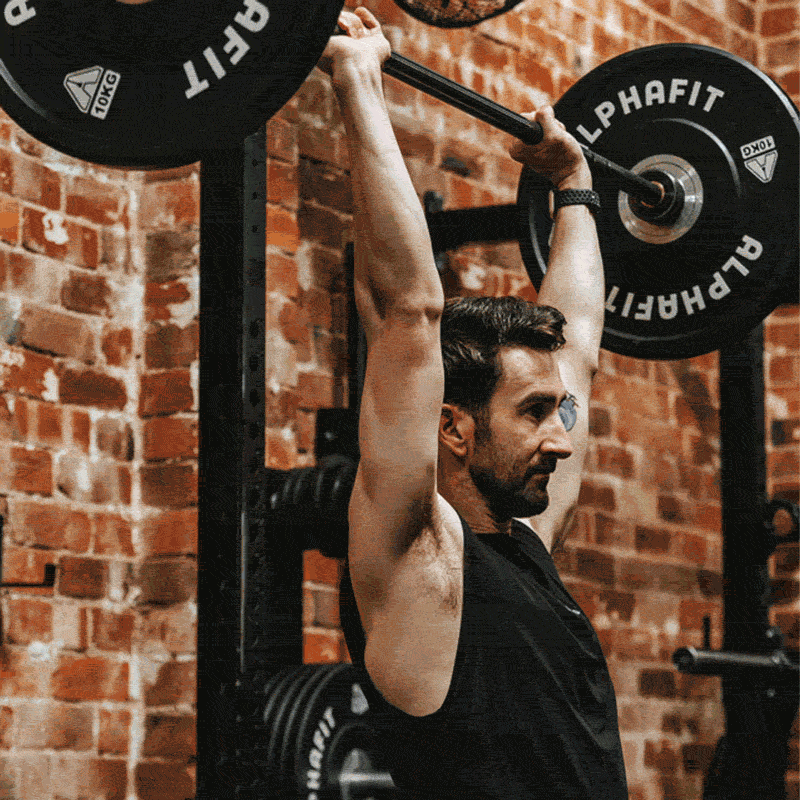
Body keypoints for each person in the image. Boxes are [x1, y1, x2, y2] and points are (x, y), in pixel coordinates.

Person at [320, 8, 628, 798]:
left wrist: (575, 186)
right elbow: (407, 310)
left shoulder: (524, 541)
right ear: (451, 426)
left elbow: (581, 351)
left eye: (552, 416)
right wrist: (358, 80)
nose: (560, 438)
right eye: (532, 414)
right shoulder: (420, 564)